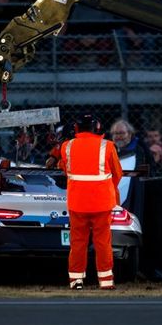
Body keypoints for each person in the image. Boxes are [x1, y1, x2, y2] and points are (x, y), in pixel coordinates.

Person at [59, 114, 122, 290]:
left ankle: (76, 280)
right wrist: (107, 188)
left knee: (78, 242)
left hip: (77, 203)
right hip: (102, 203)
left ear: (76, 129)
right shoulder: (108, 146)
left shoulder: (67, 146)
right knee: (102, 242)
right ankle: (106, 281)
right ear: (98, 128)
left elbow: (65, 168)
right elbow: (117, 173)